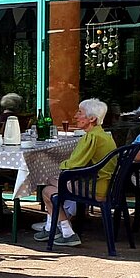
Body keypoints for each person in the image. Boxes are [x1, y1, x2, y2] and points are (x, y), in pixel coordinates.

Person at [34, 99, 117, 247]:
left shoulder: (92, 137)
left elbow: (74, 165)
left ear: (92, 119)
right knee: (51, 186)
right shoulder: (104, 135)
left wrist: (60, 167)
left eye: (80, 113)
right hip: (105, 185)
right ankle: (58, 229)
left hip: (96, 188)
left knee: (47, 188)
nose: (76, 116)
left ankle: (65, 232)